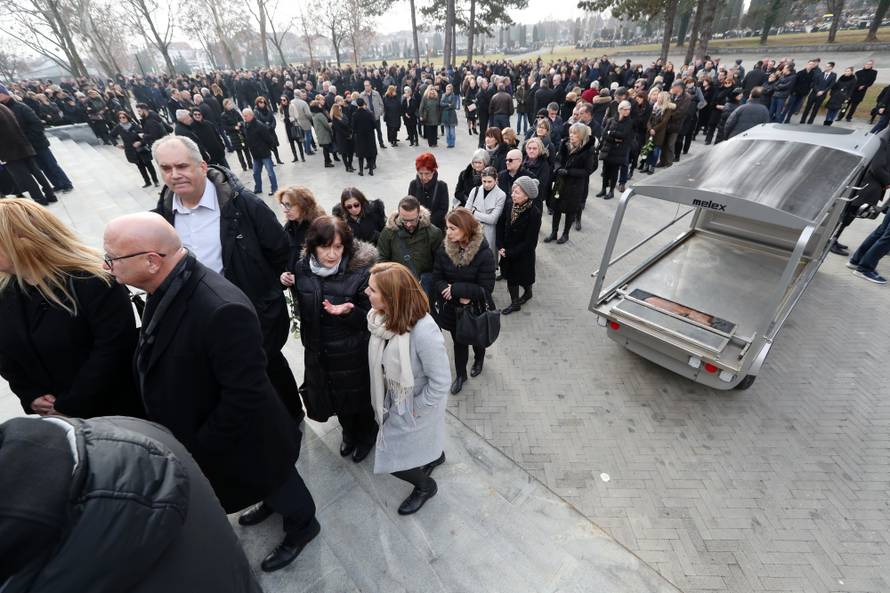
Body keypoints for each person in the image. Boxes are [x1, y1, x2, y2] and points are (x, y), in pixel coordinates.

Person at [103, 213, 318, 573]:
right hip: (220, 433)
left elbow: (244, 393)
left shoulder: (221, 308)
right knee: (263, 482)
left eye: (112, 258)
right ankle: (271, 502)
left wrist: (201, 445)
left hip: (245, 436)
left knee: (277, 479)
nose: (106, 266)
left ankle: (302, 525)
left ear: (152, 261)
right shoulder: (167, 286)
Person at [0, 415, 263, 592]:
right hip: (234, 579)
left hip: (248, 444)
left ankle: (301, 522)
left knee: (279, 485)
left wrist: (206, 442)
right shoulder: (128, 428)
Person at [151, 135, 302, 425]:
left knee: (267, 364)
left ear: (202, 166)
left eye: (182, 166)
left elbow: (280, 250)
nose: (174, 174)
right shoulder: (163, 216)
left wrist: (265, 296)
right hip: (200, 316)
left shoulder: (243, 205)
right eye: (166, 168)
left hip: (251, 308)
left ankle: (291, 416)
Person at [0, 198, 140, 418]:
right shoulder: (6, 290)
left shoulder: (94, 280)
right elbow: (6, 356)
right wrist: (30, 395)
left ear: (22, 240)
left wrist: (69, 405)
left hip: (116, 412)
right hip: (60, 419)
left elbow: (114, 349)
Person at [365, 262, 450, 514]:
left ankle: (426, 487)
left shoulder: (424, 331)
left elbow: (441, 381)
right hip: (397, 400)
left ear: (391, 297)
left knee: (394, 461)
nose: (366, 293)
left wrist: (414, 409)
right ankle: (435, 455)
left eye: (372, 290)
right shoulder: (382, 317)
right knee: (425, 442)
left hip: (416, 406)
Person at [292, 216, 378, 461]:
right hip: (319, 350)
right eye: (325, 246)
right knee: (334, 397)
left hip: (352, 351)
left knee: (358, 399)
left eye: (338, 247)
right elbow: (303, 303)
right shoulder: (302, 268)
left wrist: (348, 312)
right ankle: (349, 434)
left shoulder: (360, 273)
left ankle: (367, 436)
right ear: (312, 246)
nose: (332, 254)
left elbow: (371, 319)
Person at [432, 208, 496, 394]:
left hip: (475, 310)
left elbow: (486, 289)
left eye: (453, 228)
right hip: (453, 309)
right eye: (447, 228)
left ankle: (479, 359)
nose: (448, 233)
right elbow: (437, 277)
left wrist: (456, 289)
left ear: (466, 229)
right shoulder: (444, 249)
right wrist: (446, 289)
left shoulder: (483, 253)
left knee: (477, 339)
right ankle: (461, 375)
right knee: (459, 342)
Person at [0, 84, 73, 193]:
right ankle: (57, 184)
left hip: (37, 143)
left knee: (51, 165)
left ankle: (65, 183)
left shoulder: (21, 107)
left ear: (4, 94)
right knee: (42, 167)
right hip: (27, 146)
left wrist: (29, 139)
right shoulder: (5, 109)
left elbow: (36, 124)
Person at [376, 196, 443, 298]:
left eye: (412, 220)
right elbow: (381, 260)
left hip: (425, 286)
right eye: (404, 220)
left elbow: (439, 263)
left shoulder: (433, 233)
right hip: (398, 284)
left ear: (419, 214)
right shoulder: (388, 233)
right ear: (398, 214)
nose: (408, 224)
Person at [277, 187, 327, 311]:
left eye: (288, 205)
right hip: (297, 290)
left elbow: (328, 266)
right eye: (283, 205)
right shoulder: (289, 226)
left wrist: (300, 279)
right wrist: (283, 274)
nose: (284, 210)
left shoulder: (319, 228)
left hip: (319, 294)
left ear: (303, 205)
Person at [498, 177, 542, 315]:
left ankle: (528, 293)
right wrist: (499, 244)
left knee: (523, 278)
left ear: (526, 195)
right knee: (512, 279)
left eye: (516, 192)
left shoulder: (534, 213)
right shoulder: (510, 204)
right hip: (506, 250)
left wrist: (510, 252)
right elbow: (501, 223)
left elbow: (530, 243)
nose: (512, 195)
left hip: (521, 254)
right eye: (513, 191)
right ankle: (515, 302)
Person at [547, 122, 597, 244]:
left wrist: (569, 172)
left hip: (575, 185)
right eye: (571, 132)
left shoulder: (588, 150)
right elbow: (558, 160)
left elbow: (587, 170)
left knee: (570, 210)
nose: (572, 135)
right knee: (557, 208)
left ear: (582, 135)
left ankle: (565, 234)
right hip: (561, 181)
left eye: (575, 133)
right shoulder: (564, 144)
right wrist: (559, 169)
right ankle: (554, 233)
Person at [0, 102, 56, 206]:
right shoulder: (3, 107)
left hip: (9, 150)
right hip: (23, 145)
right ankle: (50, 194)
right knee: (36, 172)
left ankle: (39, 199)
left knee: (25, 177)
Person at [466, 166, 507, 259]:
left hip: (489, 233)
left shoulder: (501, 195)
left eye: (489, 181)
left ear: (496, 180)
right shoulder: (475, 190)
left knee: (487, 261)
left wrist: (473, 212)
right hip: (473, 231)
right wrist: (483, 216)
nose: (486, 184)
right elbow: (466, 213)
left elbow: (493, 219)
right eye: (484, 181)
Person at [110, 111, 159, 188]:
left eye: (123, 117)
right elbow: (111, 135)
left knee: (149, 165)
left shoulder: (134, 125)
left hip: (142, 149)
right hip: (131, 151)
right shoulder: (118, 127)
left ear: (127, 117)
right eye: (120, 118)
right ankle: (147, 182)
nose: (122, 119)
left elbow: (144, 136)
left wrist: (140, 142)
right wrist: (116, 144)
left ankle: (155, 181)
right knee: (140, 167)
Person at [597, 100, 633, 201]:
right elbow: (604, 134)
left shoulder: (629, 122)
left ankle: (611, 191)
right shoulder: (611, 120)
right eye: (625, 109)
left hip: (619, 151)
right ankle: (603, 189)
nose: (627, 112)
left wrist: (611, 133)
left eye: (629, 110)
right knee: (605, 170)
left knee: (614, 172)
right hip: (608, 149)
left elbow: (624, 136)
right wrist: (614, 137)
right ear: (620, 110)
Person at [241, 107, 278, 195]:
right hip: (255, 155)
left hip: (264, 153)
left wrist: (267, 148)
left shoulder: (259, 125)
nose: (244, 117)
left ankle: (274, 188)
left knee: (270, 173)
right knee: (256, 173)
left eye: (245, 116)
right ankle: (258, 188)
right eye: (243, 116)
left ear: (251, 115)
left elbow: (269, 139)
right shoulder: (246, 125)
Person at [408, 152, 449, 229]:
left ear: (433, 171)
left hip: (435, 227)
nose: (423, 177)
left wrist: (427, 221)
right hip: (416, 227)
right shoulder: (413, 184)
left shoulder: (441, 186)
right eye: (420, 173)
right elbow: (410, 205)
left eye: (427, 174)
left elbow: (443, 209)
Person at [220, 99, 252, 171]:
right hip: (234, 135)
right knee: (239, 151)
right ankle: (244, 166)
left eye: (231, 104)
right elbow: (225, 127)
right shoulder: (223, 115)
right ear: (225, 106)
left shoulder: (235, 111)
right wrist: (234, 127)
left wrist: (240, 123)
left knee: (246, 149)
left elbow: (242, 119)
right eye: (229, 104)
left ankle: (250, 164)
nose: (230, 105)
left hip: (241, 133)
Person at [522, 136, 552, 209]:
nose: (531, 151)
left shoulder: (544, 165)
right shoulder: (523, 161)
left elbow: (541, 185)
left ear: (540, 149)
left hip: (535, 201)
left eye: (534, 148)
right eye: (529, 148)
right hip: (520, 198)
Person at [352, 97, 379, 176]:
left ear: (357, 105)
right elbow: (374, 125)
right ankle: (371, 170)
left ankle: (361, 171)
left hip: (360, 137)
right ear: (364, 104)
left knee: (361, 155)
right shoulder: (369, 113)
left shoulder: (355, 114)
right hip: (369, 136)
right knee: (369, 153)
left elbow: (353, 127)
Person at [254, 96, 284, 165]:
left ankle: (278, 159)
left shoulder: (268, 109)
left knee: (274, 145)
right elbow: (258, 121)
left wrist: (272, 126)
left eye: (263, 102)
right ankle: (271, 162)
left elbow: (273, 119)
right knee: (267, 147)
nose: (262, 104)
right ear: (257, 103)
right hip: (264, 132)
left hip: (271, 131)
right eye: (261, 102)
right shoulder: (256, 112)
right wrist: (266, 127)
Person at [362, 79, 387, 149]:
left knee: (379, 131)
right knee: (370, 133)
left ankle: (381, 143)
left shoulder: (376, 93)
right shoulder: (362, 95)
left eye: (367, 85)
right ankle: (372, 146)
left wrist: (379, 112)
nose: (366, 87)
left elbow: (381, 104)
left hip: (376, 116)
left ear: (370, 86)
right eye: (365, 86)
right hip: (368, 118)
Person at [279, 95, 305, 163]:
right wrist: (283, 119)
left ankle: (302, 157)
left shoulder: (292, 106)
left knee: (298, 142)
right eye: (281, 100)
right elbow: (280, 117)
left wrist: (292, 118)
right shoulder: (281, 108)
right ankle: (295, 157)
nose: (282, 101)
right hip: (287, 127)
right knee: (291, 142)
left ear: (287, 100)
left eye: (284, 100)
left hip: (294, 125)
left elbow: (296, 115)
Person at [331, 103, 355, 172]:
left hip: (349, 136)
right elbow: (338, 129)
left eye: (340, 108)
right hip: (341, 137)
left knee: (351, 152)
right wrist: (347, 134)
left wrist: (350, 132)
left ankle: (350, 165)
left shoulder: (343, 115)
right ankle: (347, 167)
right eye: (339, 108)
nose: (340, 108)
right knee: (344, 153)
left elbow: (349, 123)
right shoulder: (334, 118)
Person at [440, 84, 459, 149]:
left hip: (452, 115)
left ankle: (452, 143)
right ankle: (448, 143)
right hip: (445, 115)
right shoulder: (443, 95)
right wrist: (448, 104)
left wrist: (446, 106)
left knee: (452, 131)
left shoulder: (453, 96)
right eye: (446, 89)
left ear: (451, 90)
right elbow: (441, 104)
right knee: (447, 131)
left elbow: (453, 106)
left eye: (449, 89)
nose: (447, 90)